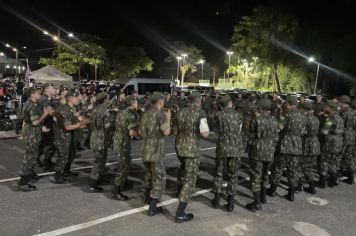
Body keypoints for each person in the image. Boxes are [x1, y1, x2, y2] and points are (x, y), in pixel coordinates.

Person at [175, 91, 209, 223]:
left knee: (183, 169)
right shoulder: (200, 113)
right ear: (199, 101)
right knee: (190, 178)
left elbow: (175, 129)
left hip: (179, 146)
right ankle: (180, 212)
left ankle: (179, 190)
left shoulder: (181, 112)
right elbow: (205, 134)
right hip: (191, 149)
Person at [268, 95, 306, 202]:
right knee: (293, 170)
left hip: (285, 145)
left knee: (278, 168)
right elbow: (303, 132)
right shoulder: (302, 116)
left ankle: (272, 191)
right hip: (297, 146)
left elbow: (279, 127)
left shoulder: (285, 114)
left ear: (288, 103)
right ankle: (291, 194)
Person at [140, 92, 171, 216]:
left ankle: (146, 198)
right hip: (156, 150)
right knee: (159, 177)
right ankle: (152, 207)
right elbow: (166, 132)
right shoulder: (161, 114)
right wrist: (168, 118)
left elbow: (141, 133)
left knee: (149, 174)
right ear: (160, 102)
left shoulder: (145, 114)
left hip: (145, 148)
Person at [246, 98, 279, 211]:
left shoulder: (257, 120)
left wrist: (250, 147)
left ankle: (257, 203)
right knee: (265, 175)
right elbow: (276, 138)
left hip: (258, 151)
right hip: (270, 151)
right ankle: (263, 197)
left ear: (260, 107)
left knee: (256, 177)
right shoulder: (275, 120)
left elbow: (251, 137)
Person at [211, 95, 243, 212]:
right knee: (233, 175)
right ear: (230, 103)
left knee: (219, 173)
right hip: (235, 148)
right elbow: (240, 130)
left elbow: (216, 131)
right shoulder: (238, 115)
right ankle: (230, 203)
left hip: (222, 147)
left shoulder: (218, 115)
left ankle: (216, 200)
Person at [18, 87, 52, 191]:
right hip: (31, 135)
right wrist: (45, 114)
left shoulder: (32, 104)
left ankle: (30, 175)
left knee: (31, 156)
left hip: (33, 133)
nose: (40, 95)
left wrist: (41, 128)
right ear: (32, 94)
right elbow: (35, 122)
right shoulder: (31, 106)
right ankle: (23, 182)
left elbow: (31, 122)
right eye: (37, 93)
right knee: (29, 158)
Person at [54, 91, 89, 182]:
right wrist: (80, 124)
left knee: (71, 155)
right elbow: (68, 127)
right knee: (62, 157)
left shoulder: (71, 109)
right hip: (62, 137)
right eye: (76, 98)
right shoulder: (64, 110)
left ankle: (66, 171)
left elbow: (75, 123)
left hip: (70, 136)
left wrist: (84, 122)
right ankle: (58, 176)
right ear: (70, 99)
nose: (78, 100)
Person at [111, 95, 139, 200]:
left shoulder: (121, 112)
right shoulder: (130, 115)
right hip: (122, 142)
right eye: (136, 102)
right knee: (123, 166)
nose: (137, 104)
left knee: (126, 163)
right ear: (131, 104)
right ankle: (116, 191)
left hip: (119, 140)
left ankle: (123, 183)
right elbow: (132, 132)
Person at [88, 92, 112, 192]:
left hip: (95, 136)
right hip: (101, 139)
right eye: (108, 98)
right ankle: (93, 184)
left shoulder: (95, 109)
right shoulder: (104, 110)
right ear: (104, 99)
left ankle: (99, 179)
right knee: (99, 162)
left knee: (101, 160)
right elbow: (107, 126)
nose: (109, 100)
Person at [319, 100, 344, 188]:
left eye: (326, 106)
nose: (324, 108)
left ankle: (322, 183)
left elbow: (324, 131)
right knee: (333, 162)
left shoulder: (330, 118)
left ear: (330, 108)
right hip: (339, 142)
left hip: (330, 143)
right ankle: (334, 179)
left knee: (324, 161)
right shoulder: (339, 117)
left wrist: (318, 134)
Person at [299, 102, 320, 194]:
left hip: (307, 144)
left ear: (304, 109)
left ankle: (298, 186)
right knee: (310, 167)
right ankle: (312, 187)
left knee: (300, 166)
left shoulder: (305, 119)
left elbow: (302, 132)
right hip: (315, 144)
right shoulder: (316, 119)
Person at [37, 83, 57, 171]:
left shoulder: (50, 99)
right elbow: (51, 113)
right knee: (49, 144)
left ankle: (43, 160)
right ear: (47, 90)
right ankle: (46, 162)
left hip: (49, 123)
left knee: (46, 144)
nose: (55, 90)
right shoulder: (45, 100)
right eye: (53, 88)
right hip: (45, 124)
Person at [338, 96, 355, 185]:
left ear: (343, 102)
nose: (338, 103)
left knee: (339, 156)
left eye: (339, 102)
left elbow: (340, 125)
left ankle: (334, 177)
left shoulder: (343, 113)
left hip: (344, 136)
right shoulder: (353, 112)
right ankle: (351, 177)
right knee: (349, 157)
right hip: (351, 136)